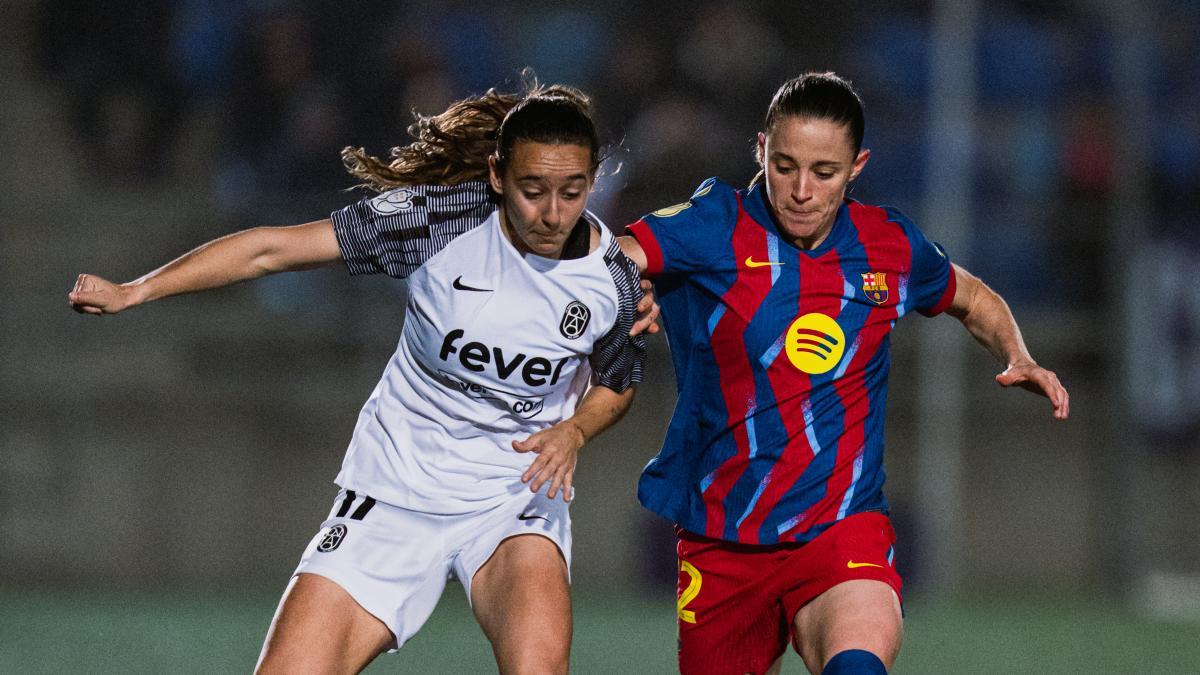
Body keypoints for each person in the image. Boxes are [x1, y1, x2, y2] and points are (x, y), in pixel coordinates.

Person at [68, 79, 654, 674]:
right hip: (395, 490)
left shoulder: (615, 278)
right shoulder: (432, 223)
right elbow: (270, 251)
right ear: (498, 175)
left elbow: (618, 379)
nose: (552, 213)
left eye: (572, 191)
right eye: (532, 191)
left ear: (593, 179)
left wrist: (574, 431)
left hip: (513, 498)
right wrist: (137, 290)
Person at [617, 72, 1070, 675]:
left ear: (857, 166)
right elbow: (614, 255)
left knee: (858, 663)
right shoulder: (712, 224)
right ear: (760, 150)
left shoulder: (887, 245)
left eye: (824, 173)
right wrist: (628, 293)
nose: (801, 190)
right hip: (723, 540)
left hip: (840, 528)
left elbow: (971, 296)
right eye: (784, 166)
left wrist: (1018, 354)